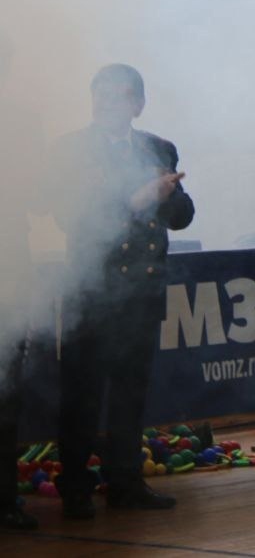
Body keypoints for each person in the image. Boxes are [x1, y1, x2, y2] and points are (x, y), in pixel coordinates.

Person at [47, 64, 194, 519]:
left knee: (131, 392)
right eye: (100, 96)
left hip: (142, 290)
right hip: (91, 290)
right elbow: (68, 218)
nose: (108, 105)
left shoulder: (158, 148)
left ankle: (125, 482)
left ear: (138, 104)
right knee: (82, 394)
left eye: (119, 97)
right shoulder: (71, 151)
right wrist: (134, 201)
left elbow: (183, 216)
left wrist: (166, 195)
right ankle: (74, 487)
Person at [0, 33, 41, 530]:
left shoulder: (22, 126)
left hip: (9, 271)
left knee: (5, 390)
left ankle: (5, 499)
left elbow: (43, 198)